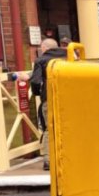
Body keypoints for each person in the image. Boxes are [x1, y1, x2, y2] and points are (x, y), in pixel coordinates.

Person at [29, 38, 68, 170]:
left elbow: (35, 81)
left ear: (44, 48)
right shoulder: (69, 56)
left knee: (49, 128)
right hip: (70, 97)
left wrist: (38, 93)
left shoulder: (41, 60)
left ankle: (48, 161)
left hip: (50, 97)